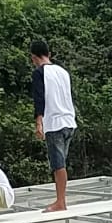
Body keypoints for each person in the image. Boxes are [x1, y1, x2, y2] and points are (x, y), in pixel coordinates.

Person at [30, 42, 77, 211]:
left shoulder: (39, 73)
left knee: (58, 164)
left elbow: (39, 98)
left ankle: (60, 201)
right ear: (48, 53)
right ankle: (61, 200)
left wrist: (38, 122)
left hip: (55, 122)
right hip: (69, 120)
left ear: (34, 57)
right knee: (61, 163)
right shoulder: (62, 71)